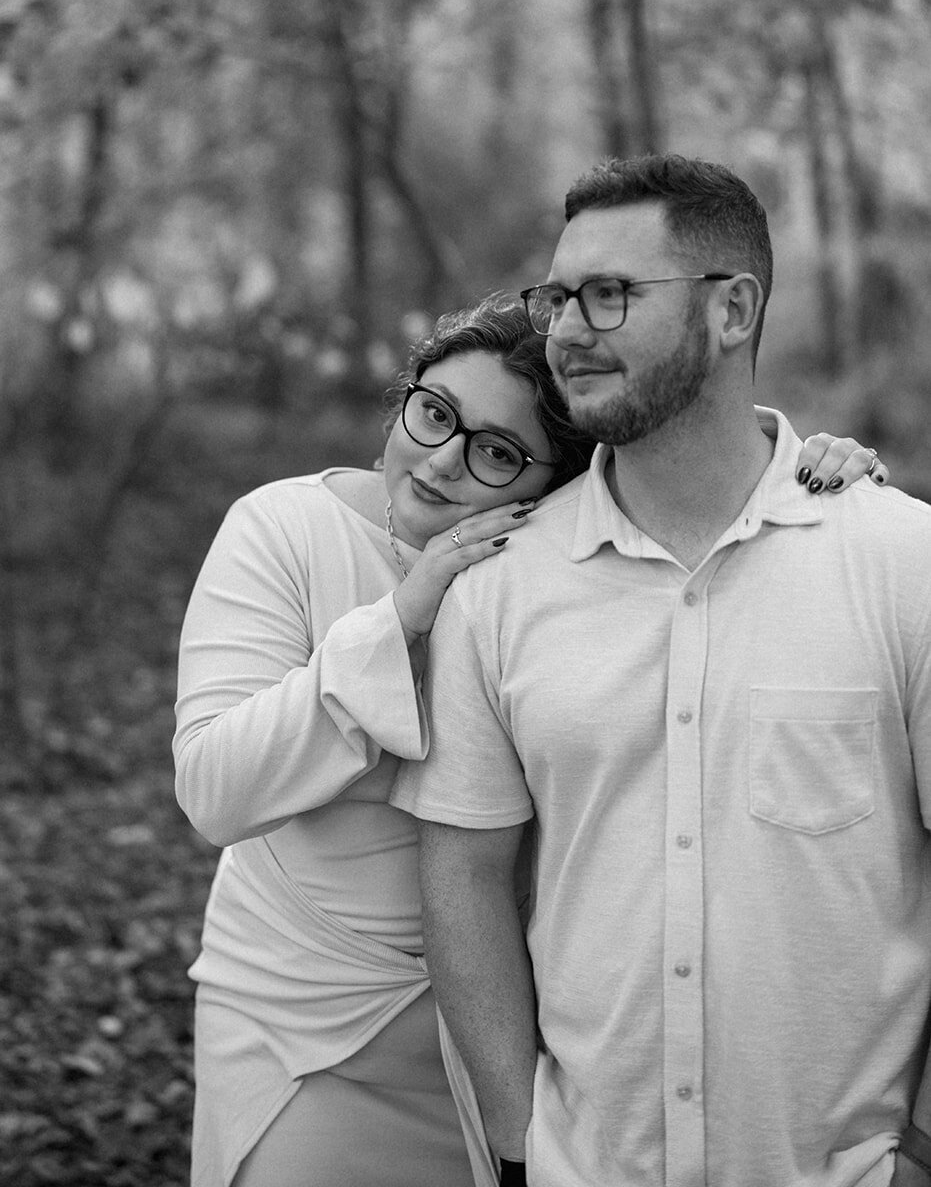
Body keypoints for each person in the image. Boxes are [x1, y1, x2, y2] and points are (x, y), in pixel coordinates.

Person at [174, 290, 885, 1187]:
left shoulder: (561, 571)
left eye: (496, 453)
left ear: (559, 486)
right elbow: (213, 790)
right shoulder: (284, 528)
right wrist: (399, 618)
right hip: (302, 1015)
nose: (440, 463)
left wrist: (812, 480)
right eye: (433, 413)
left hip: (513, 1024)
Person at [392, 156, 930, 1187]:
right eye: (556, 296)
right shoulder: (501, 587)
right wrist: (521, 1146)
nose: (565, 328)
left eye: (610, 294)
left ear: (731, 310)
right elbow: (460, 877)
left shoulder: (900, 564)